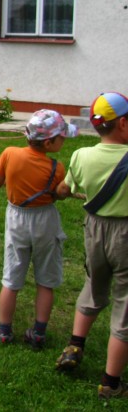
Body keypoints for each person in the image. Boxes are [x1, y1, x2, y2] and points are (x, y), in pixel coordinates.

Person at [54, 92, 128, 399]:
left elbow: (63, 189)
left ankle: (75, 345)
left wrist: (60, 190)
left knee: (94, 284)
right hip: (125, 232)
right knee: (125, 303)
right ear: (122, 123)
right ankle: (110, 382)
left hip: (95, 229)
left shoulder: (81, 156)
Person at [0, 110, 77, 348]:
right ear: (48, 143)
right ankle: (39, 333)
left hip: (17, 219)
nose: (64, 141)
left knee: (11, 278)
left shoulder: (10, 153)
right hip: (45, 220)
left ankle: (4, 331)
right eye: (62, 137)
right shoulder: (56, 167)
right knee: (46, 280)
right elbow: (59, 195)